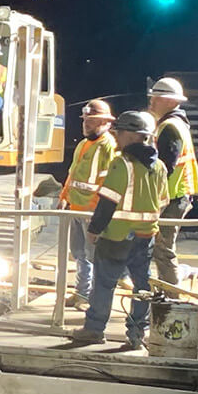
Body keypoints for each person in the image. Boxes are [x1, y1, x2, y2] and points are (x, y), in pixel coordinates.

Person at [70, 110, 168, 349]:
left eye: (120, 133)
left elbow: (107, 202)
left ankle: (94, 329)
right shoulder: (160, 167)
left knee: (104, 284)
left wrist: (94, 230)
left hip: (116, 236)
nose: (117, 138)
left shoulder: (121, 164)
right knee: (142, 286)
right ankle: (136, 335)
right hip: (146, 237)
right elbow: (163, 201)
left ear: (133, 136)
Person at [57, 99, 118, 305]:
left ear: (104, 122)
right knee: (79, 254)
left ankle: (95, 297)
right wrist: (64, 197)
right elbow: (72, 174)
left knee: (93, 256)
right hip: (77, 208)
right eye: (85, 120)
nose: (86, 124)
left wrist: (99, 212)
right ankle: (82, 293)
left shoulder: (108, 146)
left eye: (91, 121)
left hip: (91, 211)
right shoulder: (84, 145)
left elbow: (108, 182)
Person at [148, 76, 198, 286]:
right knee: (162, 248)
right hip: (176, 194)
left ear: (170, 101)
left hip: (173, 196)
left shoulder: (170, 127)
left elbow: (164, 167)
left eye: (156, 98)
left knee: (163, 249)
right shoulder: (176, 124)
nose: (151, 101)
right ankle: (168, 291)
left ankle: (171, 297)